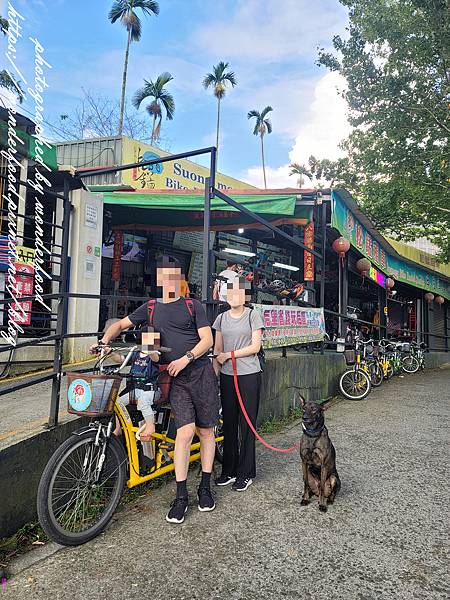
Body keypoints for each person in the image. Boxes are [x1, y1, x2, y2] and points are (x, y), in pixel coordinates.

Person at [96, 255, 219, 524]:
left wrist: (186, 357)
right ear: (159, 279)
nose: (169, 280)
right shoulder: (150, 308)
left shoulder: (193, 305)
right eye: (164, 275)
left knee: (207, 431)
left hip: (200, 374)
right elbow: (118, 325)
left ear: (179, 279)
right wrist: (104, 341)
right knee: (185, 433)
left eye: (173, 275)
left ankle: (205, 487)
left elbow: (207, 339)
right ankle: (181, 496)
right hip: (174, 381)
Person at [212, 276, 264, 492]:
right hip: (226, 376)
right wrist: (214, 377)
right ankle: (229, 471)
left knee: (247, 424)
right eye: (230, 293)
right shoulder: (221, 318)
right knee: (230, 423)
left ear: (245, 296)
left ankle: (246, 472)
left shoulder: (253, 315)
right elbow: (217, 352)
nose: (234, 296)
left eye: (238, 293)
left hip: (249, 374)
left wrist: (229, 355)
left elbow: (255, 346)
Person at [96, 327, 161, 440]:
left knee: (143, 401)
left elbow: (156, 359)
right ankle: (118, 427)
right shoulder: (135, 353)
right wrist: (109, 352)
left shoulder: (155, 354)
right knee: (118, 402)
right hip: (135, 389)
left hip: (150, 390)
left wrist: (150, 349)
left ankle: (150, 425)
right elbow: (121, 359)